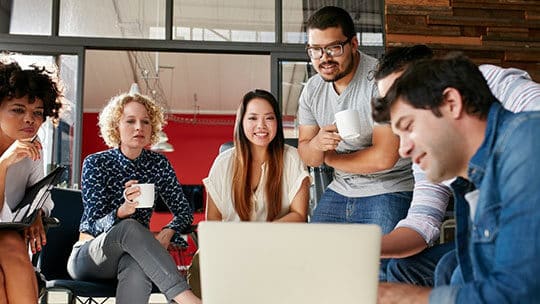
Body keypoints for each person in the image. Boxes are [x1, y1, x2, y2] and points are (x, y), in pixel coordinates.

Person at [373, 54, 540, 303]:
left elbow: (517, 294)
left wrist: (399, 296)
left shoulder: (527, 140)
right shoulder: (468, 182)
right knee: (453, 270)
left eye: (408, 127)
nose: (402, 150)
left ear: (451, 102)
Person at [296, 6, 413, 280]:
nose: (324, 59)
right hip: (341, 189)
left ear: (353, 44)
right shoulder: (312, 90)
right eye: (315, 50)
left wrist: (330, 158)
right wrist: (317, 146)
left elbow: (384, 158)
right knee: (310, 265)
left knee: (376, 273)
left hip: (390, 187)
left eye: (334, 48)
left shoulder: (380, 80)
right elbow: (306, 153)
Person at [66, 93, 201, 304]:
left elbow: (183, 212)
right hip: (89, 256)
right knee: (129, 226)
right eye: (130, 121)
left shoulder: (158, 164)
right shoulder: (96, 163)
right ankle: (187, 299)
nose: (139, 127)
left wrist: (168, 232)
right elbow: (92, 224)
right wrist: (122, 211)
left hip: (132, 255)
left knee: (137, 266)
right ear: (115, 126)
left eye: (145, 121)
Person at [187, 89, 311, 296]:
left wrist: (259, 237)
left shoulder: (292, 158)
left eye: (269, 118)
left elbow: (299, 215)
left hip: (276, 248)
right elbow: (213, 221)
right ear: (241, 122)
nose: (261, 126)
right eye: (253, 118)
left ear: (277, 123)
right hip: (229, 250)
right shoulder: (223, 163)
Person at [0, 55, 63, 303]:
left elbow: (40, 196)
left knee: (10, 242)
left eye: (38, 112)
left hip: (7, 240)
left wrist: (36, 214)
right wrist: (4, 164)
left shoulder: (33, 148)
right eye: (18, 109)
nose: (30, 119)